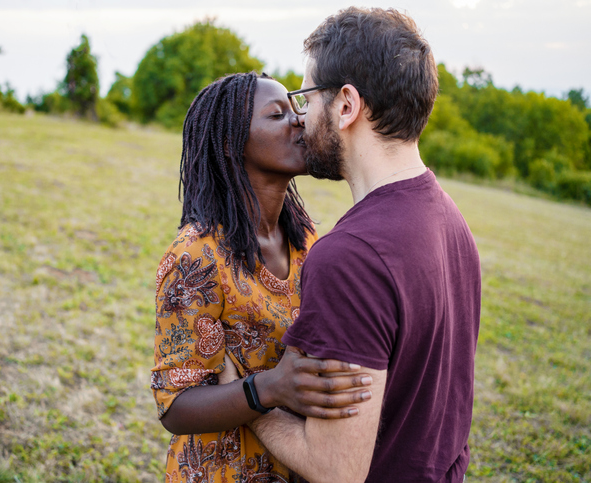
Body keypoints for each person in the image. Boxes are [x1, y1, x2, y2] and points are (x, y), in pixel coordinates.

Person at [248, 7, 481, 483]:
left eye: (306, 96)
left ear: (346, 106)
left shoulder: (350, 257)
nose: (301, 114)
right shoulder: (452, 222)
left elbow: (336, 470)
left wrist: (250, 405)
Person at [151, 72, 374, 483]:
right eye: (277, 115)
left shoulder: (306, 239)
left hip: (296, 464)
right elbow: (175, 407)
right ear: (230, 145)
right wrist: (266, 388)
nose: (299, 121)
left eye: (296, 109)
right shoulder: (196, 257)